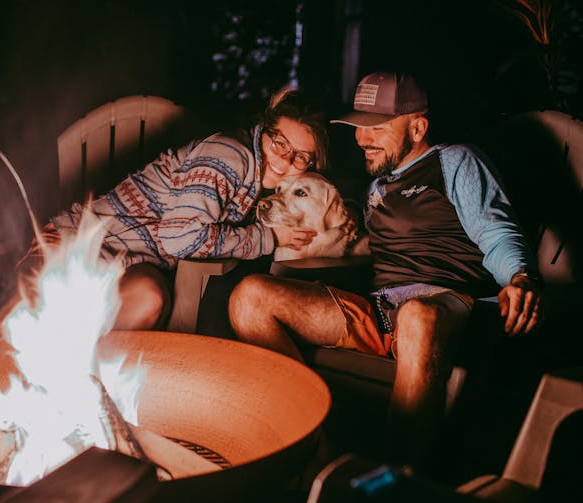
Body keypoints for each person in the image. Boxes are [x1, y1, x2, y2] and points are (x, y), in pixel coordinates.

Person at [227, 71, 544, 469]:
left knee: (416, 315)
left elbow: (495, 229)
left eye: (376, 127)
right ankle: (315, 453)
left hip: (448, 308)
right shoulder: (376, 188)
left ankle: (393, 481)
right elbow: (361, 245)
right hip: (382, 311)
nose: (362, 138)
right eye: (357, 127)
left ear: (417, 127)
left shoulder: (454, 162)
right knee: (249, 297)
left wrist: (519, 276)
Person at [0, 86, 329, 334]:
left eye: (301, 156)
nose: (285, 160)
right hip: (77, 245)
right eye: (280, 143)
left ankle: (84, 382)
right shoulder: (230, 156)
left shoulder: (261, 183)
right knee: (40, 314)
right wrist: (268, 238)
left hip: (130, 263)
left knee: (151, 299)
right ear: (264, 130)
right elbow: (179, 239)